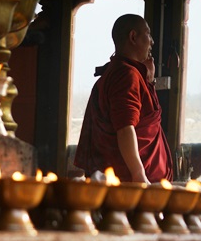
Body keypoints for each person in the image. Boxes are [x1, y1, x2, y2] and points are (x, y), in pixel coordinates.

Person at [73, 14, 173, 184]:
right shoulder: (126, 74)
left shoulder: (124, 72)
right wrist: (139, 174)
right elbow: (125, 127)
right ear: (133, 37)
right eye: (147, 34)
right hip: (131, 186)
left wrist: (148, 81)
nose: (152, 42)